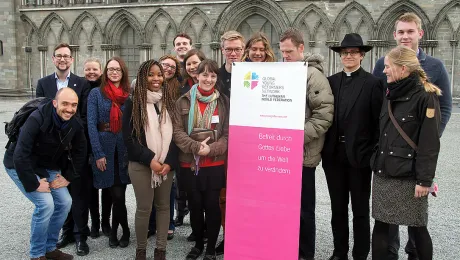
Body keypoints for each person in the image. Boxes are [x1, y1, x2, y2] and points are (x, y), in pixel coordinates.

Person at [372, 12, 452, 259]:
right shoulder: (383, 64)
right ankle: (392, 251)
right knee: (385, 223)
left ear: (420, 33)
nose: (405, 36)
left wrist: (425, 141)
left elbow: (445, 107)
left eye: (410, 31)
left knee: (417, 225)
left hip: (415, 156)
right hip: (388, 159)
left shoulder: (435, 67)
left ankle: (414, 253)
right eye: (401, 32)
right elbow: (378, 107)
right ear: (394, 34)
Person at [4, 87, 87, 260]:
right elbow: (20, 155)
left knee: (65, 202)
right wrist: (34, 183)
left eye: (74, 105)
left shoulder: (74, 122)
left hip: (46, 166)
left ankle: (50, 248)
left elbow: (81, 150)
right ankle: (37, 254)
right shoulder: (37, 118)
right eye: (65, 104)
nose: (69, 109)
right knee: (45, 204)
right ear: (55, 103)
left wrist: (68, 177)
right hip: (19, 164)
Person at [322, 33, 383, 260]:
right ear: (340, 56)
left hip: (359, 158)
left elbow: (378, 123)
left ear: (362, 55)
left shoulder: (373, 83)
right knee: (338, 209)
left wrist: (372, 154)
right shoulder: (331, 82)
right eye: (345, 53)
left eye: (353, 53)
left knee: (359, 211)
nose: (348, 56)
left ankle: (360, 254)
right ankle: (340, 252)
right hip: (334, 157)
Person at [279, 28, 334, 260]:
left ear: (301, 48)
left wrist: (295, 137)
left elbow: (324, 114)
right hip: (280, 152)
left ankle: (305, 254)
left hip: (302, 155)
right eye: (282, 52)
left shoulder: (313, 76)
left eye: (289, 51)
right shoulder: (282, 72)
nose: (285, 56)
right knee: (283, 208)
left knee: (303, 210)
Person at [36, 43, 91, 256]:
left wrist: (69, 135)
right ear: (52, 59)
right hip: (52, 151)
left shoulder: (82, 83)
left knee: (77, 194)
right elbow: (39, 113)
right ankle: (65, 232)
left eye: (66, 56)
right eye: (59, 56)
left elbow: (83, 116)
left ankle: (80, 237)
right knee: (60, 193)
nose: (62, 60)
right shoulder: (43, 83)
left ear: (72, 59)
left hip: (74, 147)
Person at [174, 59, 230, 260]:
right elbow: (177, 131)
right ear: (196, 76)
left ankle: (210, 249)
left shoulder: (223, 101)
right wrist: (196, 147)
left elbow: (226, 134)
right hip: (189, 162)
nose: (208, 79)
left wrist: (211, 149)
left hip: (214, 162)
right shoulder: (183, 101)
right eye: (204, 74)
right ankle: (198, 244)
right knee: (195, 205)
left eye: (213, 75)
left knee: (212, 205)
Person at [122, 59, 178, 260]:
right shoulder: (132, 102)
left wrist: (169, 162)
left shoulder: (169, 100)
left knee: (164, 207)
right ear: (143, 76)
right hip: (141, 165)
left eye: (159, 74)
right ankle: (141, 250)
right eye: (151, 74)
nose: (156, 78)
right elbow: (129, 139)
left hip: (166, 166)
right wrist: (150, 160)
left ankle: (161, 250)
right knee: (144, 208)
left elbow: (175, 135)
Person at [87, 57, 131, 249]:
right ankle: (120, 230)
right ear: (105, 72)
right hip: (104, 149)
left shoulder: (129, 94)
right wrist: (97, 153)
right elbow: (91, 124)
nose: (114, 72)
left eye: (118, 69)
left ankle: (118, 230)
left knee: (119, 193)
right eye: (110, 69)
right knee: (114, 193)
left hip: (124, 150)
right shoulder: (96, 94)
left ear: (123, 72)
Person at [146, 55, 183, 241]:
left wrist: (170, 159)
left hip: (168, 146)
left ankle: (168, 223)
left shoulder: (175, 91)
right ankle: (152, 223)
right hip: (150, 148)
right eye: (164, 66)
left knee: (168, 188)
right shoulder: (142, 91)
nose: (167, 69)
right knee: (149, 189)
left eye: (172, 67)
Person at [83, 58, 113, 239]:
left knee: (108, 185)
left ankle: (105, 222)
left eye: (95, 69)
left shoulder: (106, 88)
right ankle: (94, 222)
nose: (91, 72)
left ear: (101, 71)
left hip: (105, 141)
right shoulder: (80, 86)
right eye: (88, 69)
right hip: (85, 142)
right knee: (92, 186)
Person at [218, 30, 245, 98]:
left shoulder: (251, 75)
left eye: (237, 49)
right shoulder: (215, 76)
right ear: (222, 51)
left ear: (243, 50)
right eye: (228, 49)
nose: (233, 54)